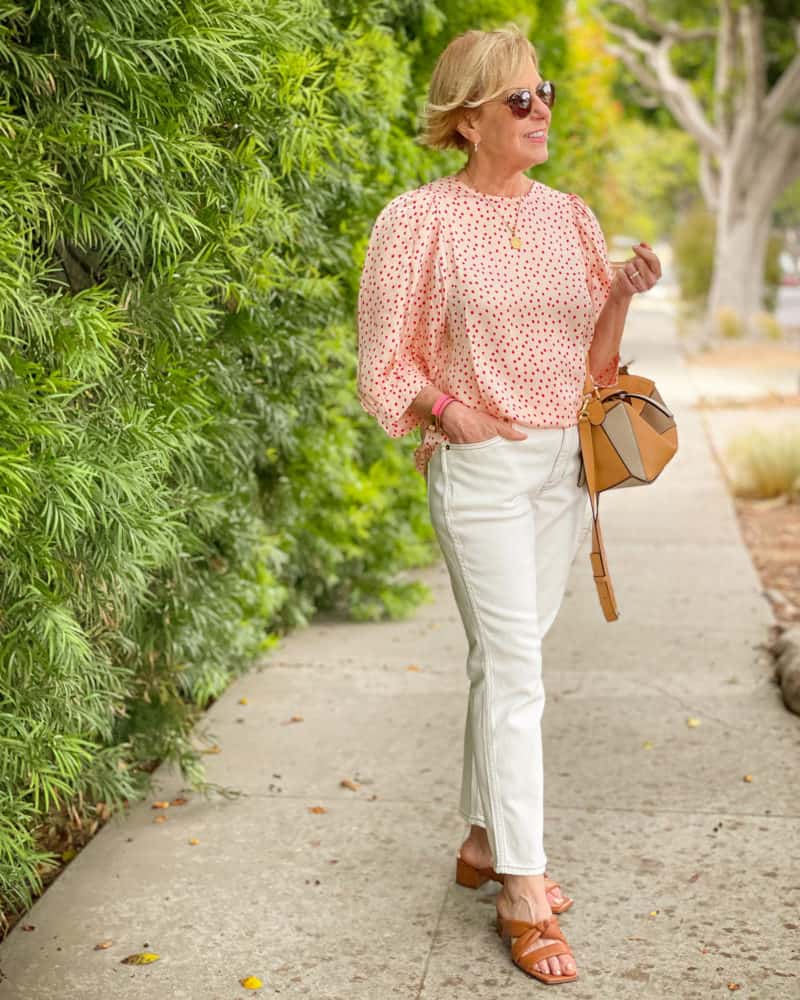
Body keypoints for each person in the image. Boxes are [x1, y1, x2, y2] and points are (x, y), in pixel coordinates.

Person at [356, 25, 661, 986]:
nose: (540, 113)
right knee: (521, 672)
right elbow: (384, 362)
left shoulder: (571, 216)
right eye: (519, 101)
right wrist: (457, 414)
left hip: (564, 470)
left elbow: (595, 364)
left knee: (505, 659)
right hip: (481, 470)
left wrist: (618, 293)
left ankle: (485, 839)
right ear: (469, 119)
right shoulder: (419, 222)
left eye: (546, 94)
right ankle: (523, 886)